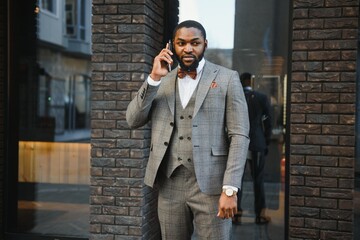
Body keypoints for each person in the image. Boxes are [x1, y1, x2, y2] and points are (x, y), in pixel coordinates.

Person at [126, 20, 250, 240]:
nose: (188, 48)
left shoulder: (227, 78)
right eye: (181, 43)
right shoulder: (162, 80)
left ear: (205, 44)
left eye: (195, 43)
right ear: (172, 46)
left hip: (212, 186)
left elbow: (239, 135)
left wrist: (230, 189)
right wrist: (154, 78)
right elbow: (133, 120)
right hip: (170, 184)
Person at [232, 72, 272, 225]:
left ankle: (236, 215)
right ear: (252, 81)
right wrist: (266, 142)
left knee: (237, 180)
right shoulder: (261, 98)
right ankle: (260, 215)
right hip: (257, 143)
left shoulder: (235, 97)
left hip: (238, 144)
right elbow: (268, 123)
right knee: (258, 180)